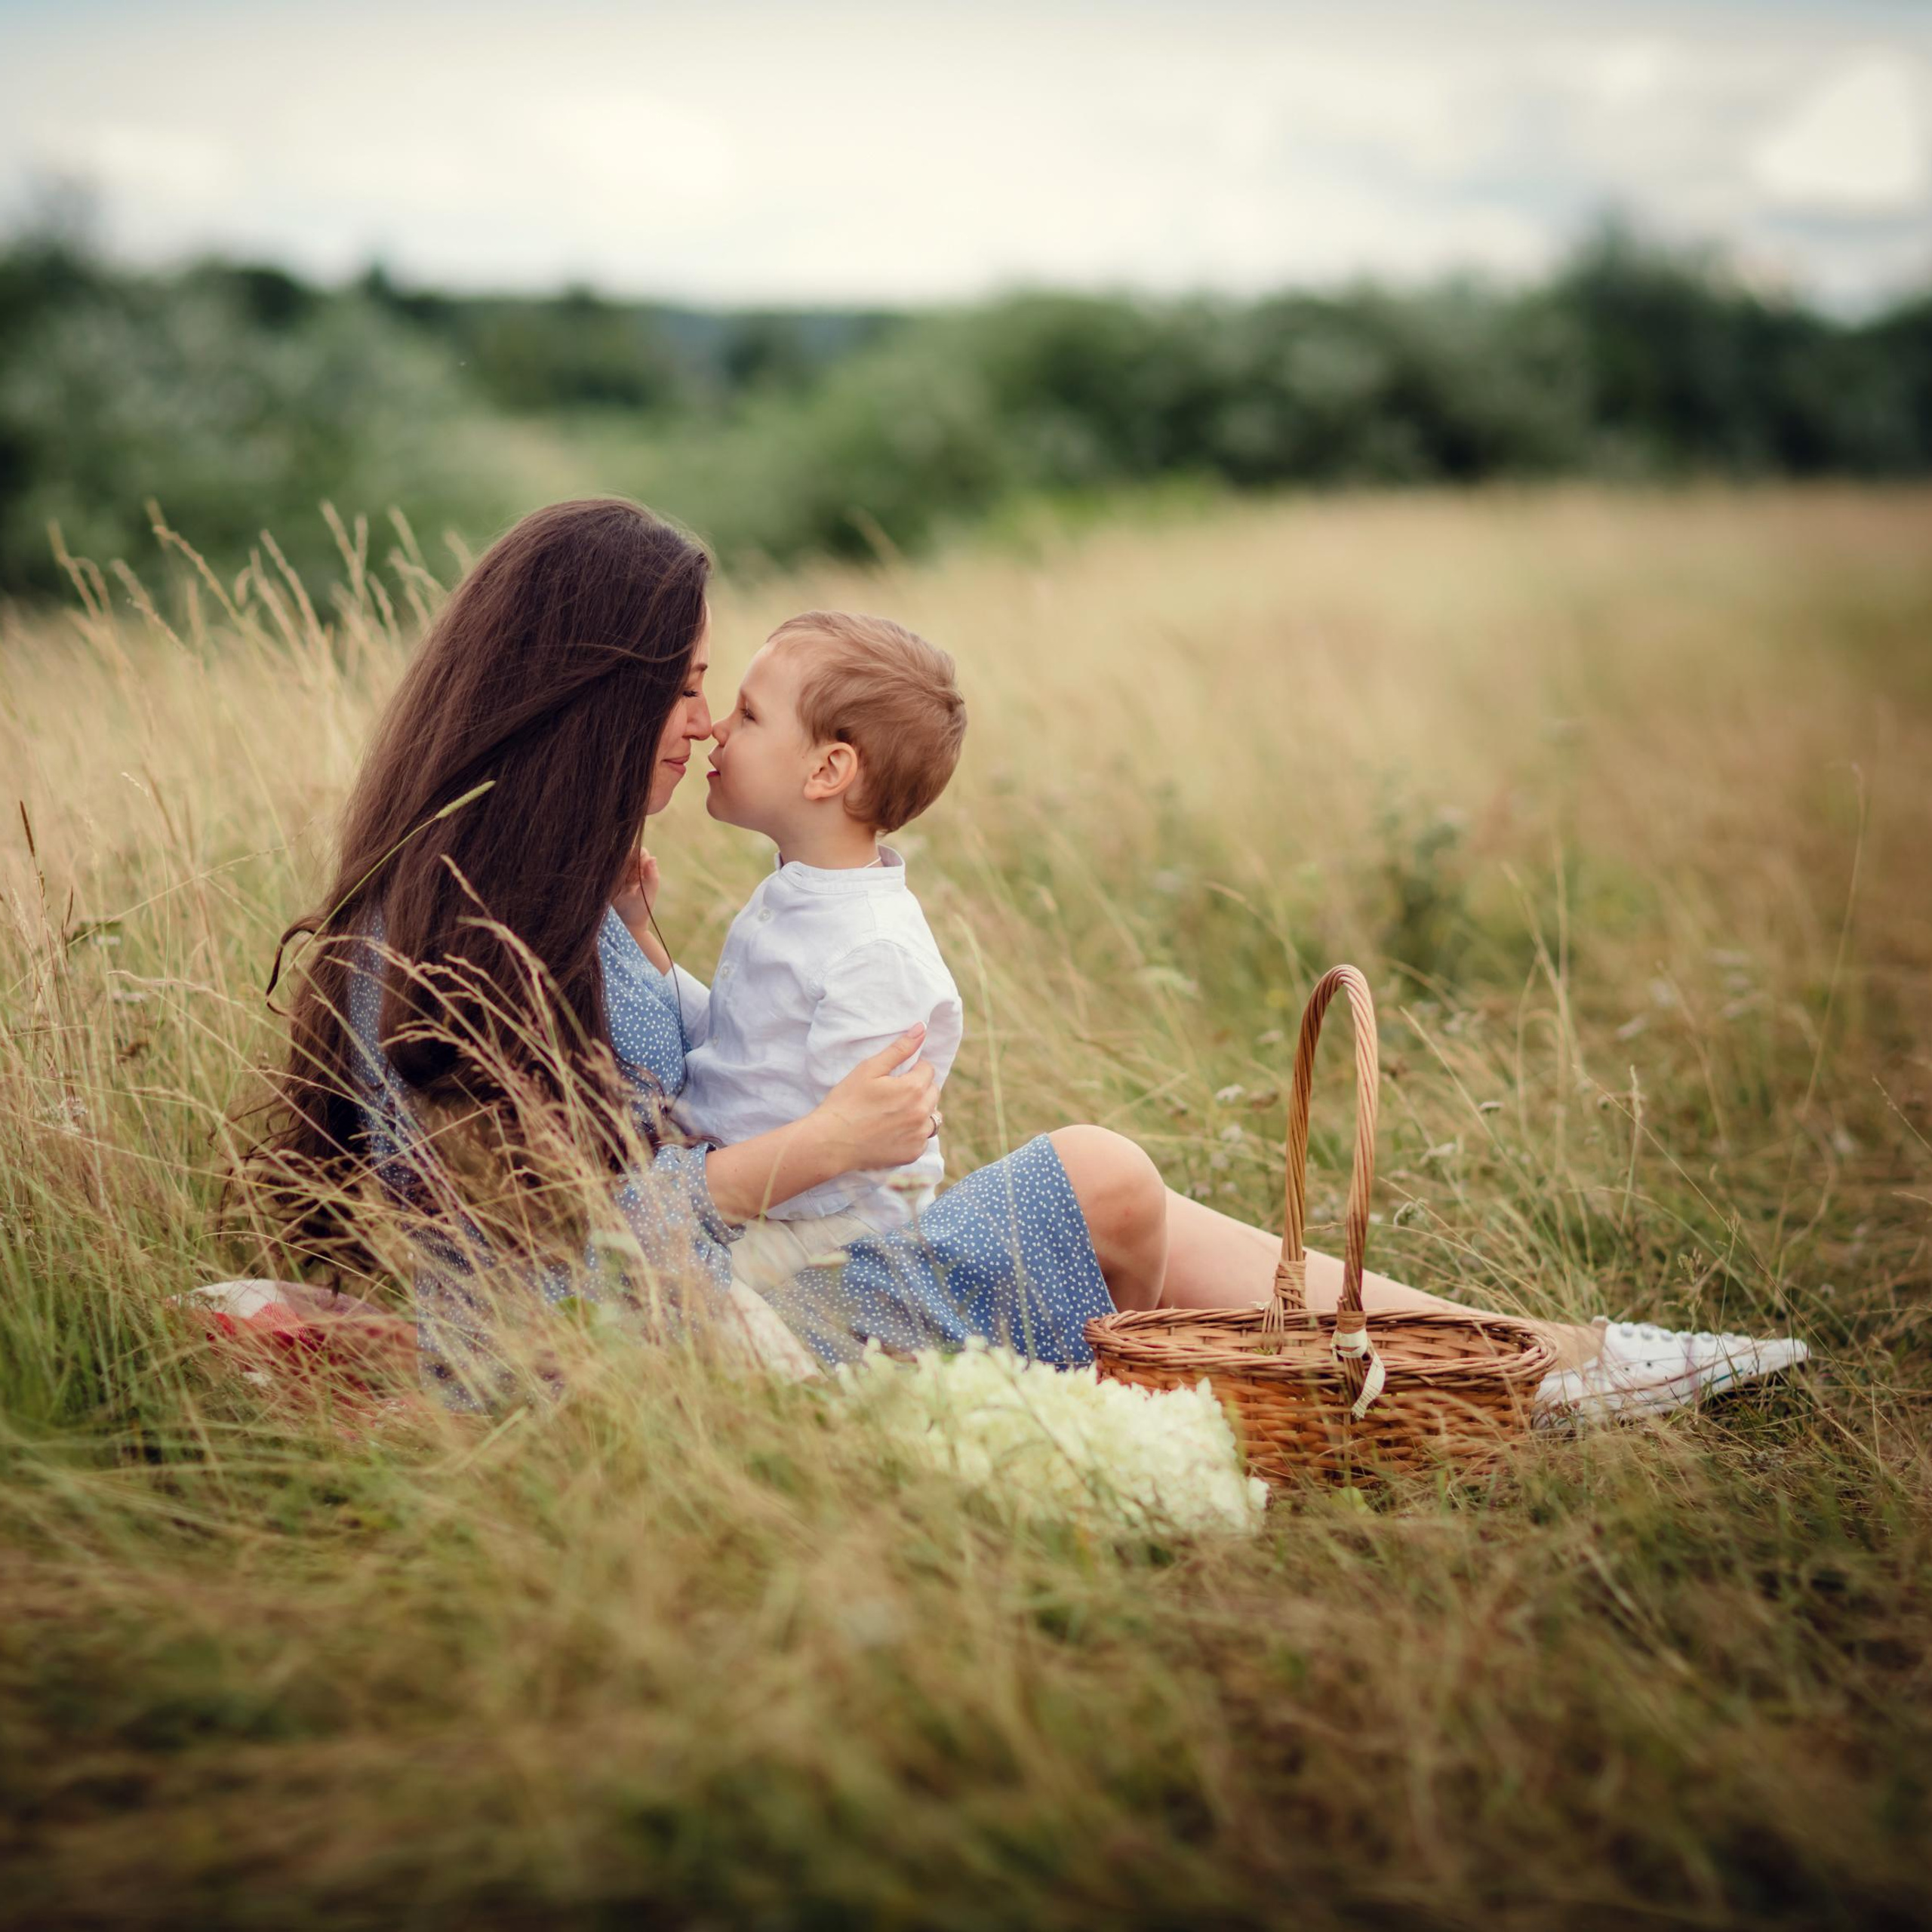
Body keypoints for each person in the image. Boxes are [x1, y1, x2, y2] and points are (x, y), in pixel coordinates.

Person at [256, 497, 1808, 1421]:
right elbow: (564, 1267)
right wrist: (803, 1149)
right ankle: (1513, 1366)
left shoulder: (549, 902)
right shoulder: (453, 943)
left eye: (720, 692)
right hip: (681, 1357)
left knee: (1116, 1196)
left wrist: (655, 958)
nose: (701, 719)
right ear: (585, 700)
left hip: (727, 1302)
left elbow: (657, 1096)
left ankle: (1503, 1361)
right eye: (680, 685)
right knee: (1097, 1174)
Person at [614, 609, 968, 1323]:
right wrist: (641, 937)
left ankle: (804, 1412)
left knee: (668, 1303)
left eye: (749, 715)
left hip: (831, 1230)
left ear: (828, 769)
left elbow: (857, 1148)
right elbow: (737, 1039)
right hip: (783, 1208)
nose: (716, 728)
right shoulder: (799, 895)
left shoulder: (873, 947)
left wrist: (722, 1188)